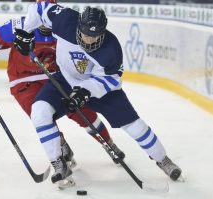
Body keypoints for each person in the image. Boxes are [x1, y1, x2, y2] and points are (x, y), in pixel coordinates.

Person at [13, 1, 182, 187]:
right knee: (39, 112)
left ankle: (163, 159)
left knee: (135, 126)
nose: (89, 40)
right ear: (79, 26)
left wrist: (85, 91)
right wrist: (25, 31)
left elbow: (111, 79)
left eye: (95, 36)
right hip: (65, 80)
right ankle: (58, 162)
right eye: (86, 34)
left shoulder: (111, 48)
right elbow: (39, 7)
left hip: (99, 88)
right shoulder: (65, 21)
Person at [0, 0, 125, 183]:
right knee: (41, 115)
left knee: (82, 111)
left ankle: (108, 143)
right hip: (24, 80)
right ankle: (61, 154)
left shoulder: (66, 27)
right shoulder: (20, 25)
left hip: (57, 77)